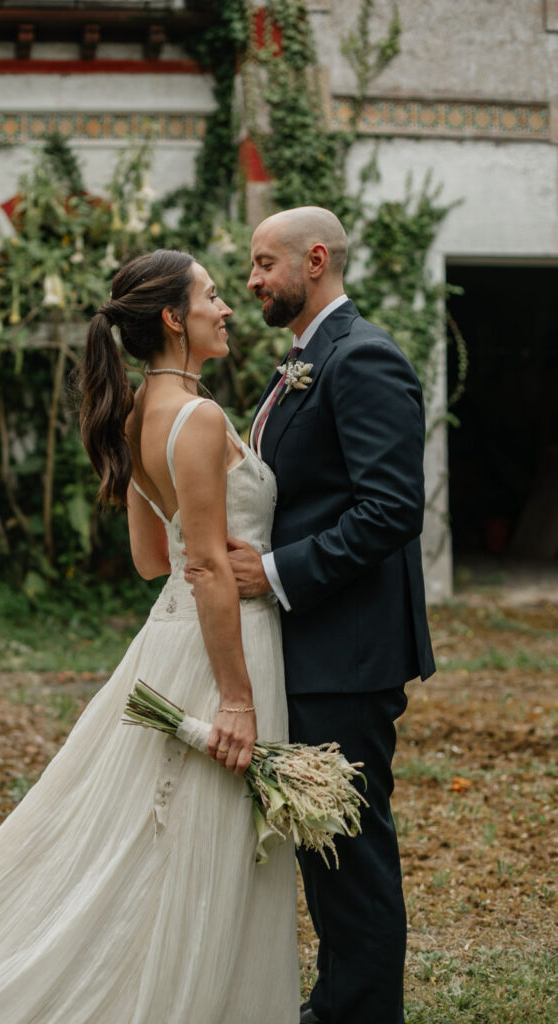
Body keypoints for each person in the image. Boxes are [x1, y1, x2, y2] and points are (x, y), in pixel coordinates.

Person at [0, 250, 299, 1023]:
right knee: (204, 846)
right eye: (210, 295)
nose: (225, 307)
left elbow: (151, 560)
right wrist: (236, 701)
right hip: (221, 650)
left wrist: (201, 552)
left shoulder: (138, 414)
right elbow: (202, 568)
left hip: (168, 642)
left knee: (158, 843)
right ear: (173, 318)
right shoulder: (198, 417)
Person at [224, 207, 436, 1024]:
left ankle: (358, 1013)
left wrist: (273, 572)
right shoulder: (304, 362)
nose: (252, 281)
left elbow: (390, 510)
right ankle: (343, 1004)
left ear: (314, 261)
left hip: (349, 652)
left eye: (263, 264)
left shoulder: (365, 358)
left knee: (350, 850)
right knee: (327, 845)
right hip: (314, 644)